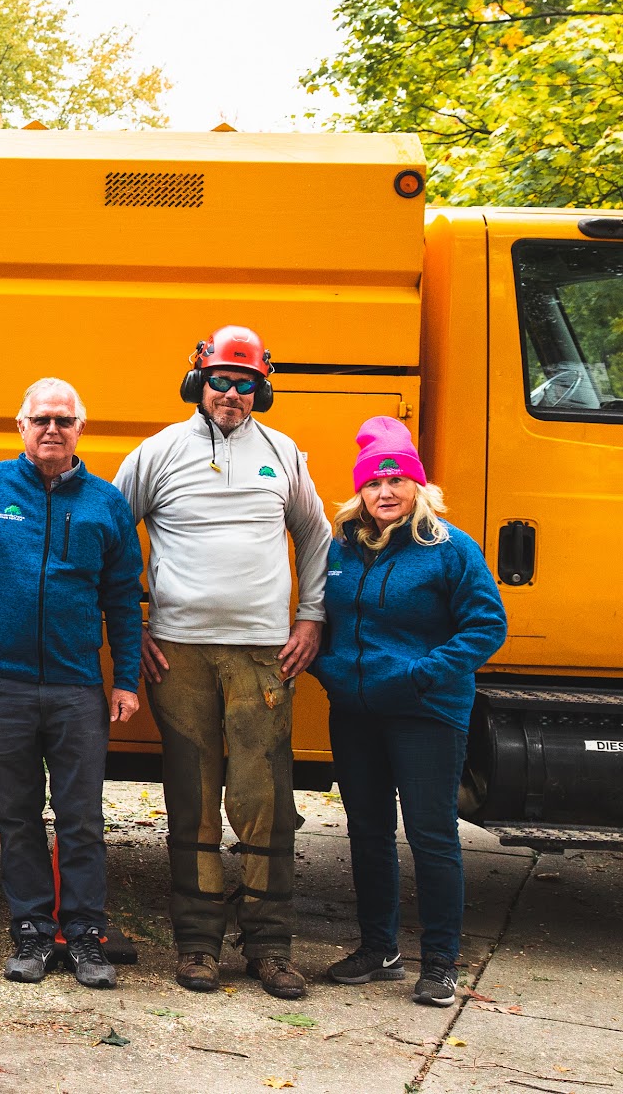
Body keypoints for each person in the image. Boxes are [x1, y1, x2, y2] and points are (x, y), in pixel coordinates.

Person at [112, 327, 330, 1000]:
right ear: (197, 383)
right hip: (178, 655)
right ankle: (199, 943)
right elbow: (113, 538)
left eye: (243, 383)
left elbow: (316, 533)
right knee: (193, 796)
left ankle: (269, 944)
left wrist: (311, 616)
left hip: (264, 654)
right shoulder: (158, 452)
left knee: (264, 798)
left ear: (260, 389)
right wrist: (136, 629)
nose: (230, 393)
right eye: (219, 380)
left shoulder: (283, 454)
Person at [311, 417, 505, 1007]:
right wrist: (332, 669)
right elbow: (325, 620)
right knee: (368, 831)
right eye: (374, 483)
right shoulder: (343, 548)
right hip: (357, 713)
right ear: (360, 493)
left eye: (397, 480)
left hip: (427, 713)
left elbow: (487, 626)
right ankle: (379, 949)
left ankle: (442, 962)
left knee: (431, 835)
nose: (385, 492)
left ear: (419, 487)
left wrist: (422, 675)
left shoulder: (449, 549)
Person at [0, 378, 142, 990]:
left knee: (81, 817)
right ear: (21, 426)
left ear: (79, 430)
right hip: (3, 685)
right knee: (15, 816)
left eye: (64, 420)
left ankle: (86, 935)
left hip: (75, 687)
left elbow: (122, 599)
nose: (52, 430)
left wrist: (127, 681)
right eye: (41, 419)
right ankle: (32, 932)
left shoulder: (105, 503)